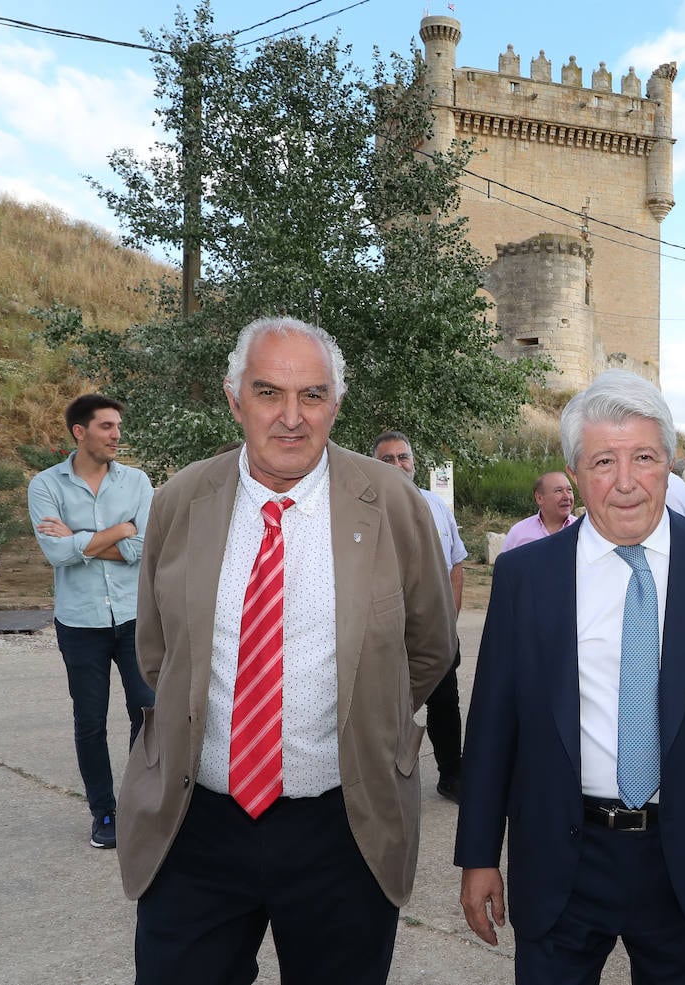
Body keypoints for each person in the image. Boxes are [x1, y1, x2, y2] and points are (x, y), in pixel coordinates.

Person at [117, 317, 457, 984]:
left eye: (313, 395)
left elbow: (430, 646)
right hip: (197, 825)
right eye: (269, 392)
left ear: (337, 401)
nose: (292, 417)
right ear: (234, 397)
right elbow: (159, 649)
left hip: (344, 827)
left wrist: (370, 723)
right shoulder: (181, 499)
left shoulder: (391, 502)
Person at [455, 369, 685, 985]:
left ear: (669, 464)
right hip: (561, 858)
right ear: (575, 475)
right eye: (604, 461)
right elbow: (493, 725)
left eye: (644, 457)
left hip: (682, 857)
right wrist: (479, 855)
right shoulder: (526, 576)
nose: (627, 482)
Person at [27, 393, 155, 850]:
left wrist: (82, 539)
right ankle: (104, 811)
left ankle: (143, 804)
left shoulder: (137, 482)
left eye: (118, 425)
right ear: (80, 432)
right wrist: (120, 531)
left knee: (148, 712)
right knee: (90, 721)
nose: (116, 434)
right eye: (106, 426)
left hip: (135, 618)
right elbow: (55, 554)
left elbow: (144, 549)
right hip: (80, 623)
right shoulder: (46, 486)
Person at [371, 430, 469, 803]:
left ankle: (451, 775)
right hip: (384, 629)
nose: (397, 465)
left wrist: (449, 619)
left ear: (414, 462)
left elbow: (456, 564)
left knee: (444, 702)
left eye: (403, 457)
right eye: (387, 459)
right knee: (382, 704)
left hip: (434, 629)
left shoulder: (437, 506)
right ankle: (379, 778)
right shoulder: (364, 505)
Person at [501, 470, 576, 551]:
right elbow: (506, 563)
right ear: (539, 498)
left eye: (569, 490)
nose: (567, 497)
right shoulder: (518, 533)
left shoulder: (582, 530)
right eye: (559, 491)